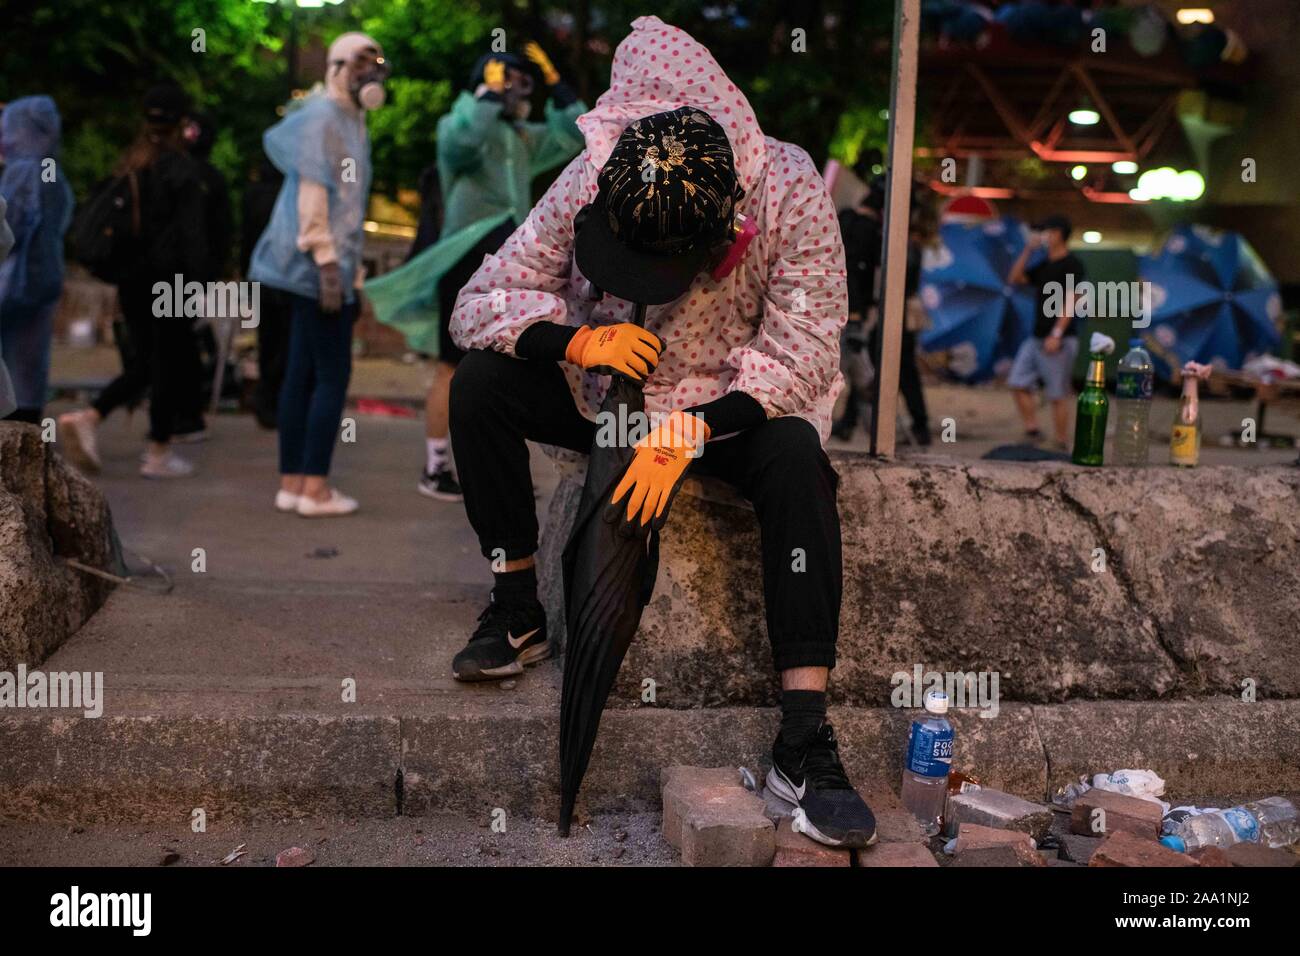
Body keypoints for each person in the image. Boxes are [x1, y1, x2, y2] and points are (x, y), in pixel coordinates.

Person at [446, 17, 876, 849]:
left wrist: (689, 434)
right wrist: (573, 339)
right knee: (482, 386)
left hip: (726, 407)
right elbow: (480, 301)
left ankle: (803, 739)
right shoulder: (598, 167)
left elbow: (807, 350)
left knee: (798, 459)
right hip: (605, 388)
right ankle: (517, 603)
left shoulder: (790, 189)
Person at [365, 42, 585, 501]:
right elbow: (460, 145)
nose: (512, 89)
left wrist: (552, 79)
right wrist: (487, 93)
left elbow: (575, 134)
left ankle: (500, 473)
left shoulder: (521, 137)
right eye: (505, 79)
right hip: (462, 262)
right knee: (452, 366)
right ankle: (435, 467)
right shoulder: (461, 124)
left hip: (506, 267)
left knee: (505, 369)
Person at [249, 32, 389, 517]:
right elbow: (314, 196)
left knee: (301, 374)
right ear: (336, 67)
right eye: (360, 62)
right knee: (330, 376)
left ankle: (293, 484)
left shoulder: (351, 118)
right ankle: (314, 489)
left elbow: (346, 204)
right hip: (312, 269)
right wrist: (330, 266)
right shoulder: (325, 118)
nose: (371, 71)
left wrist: (347, 273)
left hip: (315, 267)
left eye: (376, 61)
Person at [59, 85, 210, 478]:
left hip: (133, 280)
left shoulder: (131, 164)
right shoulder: (181, 170)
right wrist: (200, 286)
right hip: (170, 281)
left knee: (146, 361)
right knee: (168, 363)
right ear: (181, 123)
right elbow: (192, 238)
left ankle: (93, 415)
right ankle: (156, 451)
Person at [0, 96, 74, 425]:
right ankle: (28, 438)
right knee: (29, 365)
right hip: (41, 280)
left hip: (13, 279)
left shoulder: (22, 173)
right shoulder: (50, 171)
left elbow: (10, 225)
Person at [172, 108, 234, 440]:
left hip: (175, 276)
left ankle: (177, 416)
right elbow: (223, 233)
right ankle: (183, 416)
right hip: (191, 276)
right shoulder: (207, 178)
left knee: (178, 343)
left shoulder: (176, 173)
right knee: (185, 342)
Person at [1006, 213, 1085, 447]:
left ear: (1059, 234)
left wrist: (1057, 333)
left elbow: (1072, 300)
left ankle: (1061, 440)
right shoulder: (1044, 265)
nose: (1044, 236)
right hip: (1037, 336)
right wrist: (1029, 250)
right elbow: (1015, 277)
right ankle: (1032, 430)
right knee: (1018, 382)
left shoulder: (1073, 264)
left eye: (1048, 231)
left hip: (1059, 339)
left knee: (1057, 392)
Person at [241, 156, 290, 430]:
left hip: (259, 277)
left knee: (268, 340)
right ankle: (275, 400)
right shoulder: (286, 195)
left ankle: (267, 399)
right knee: (284, 342)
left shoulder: (254, 194)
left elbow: (247, 237)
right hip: (284, 280)